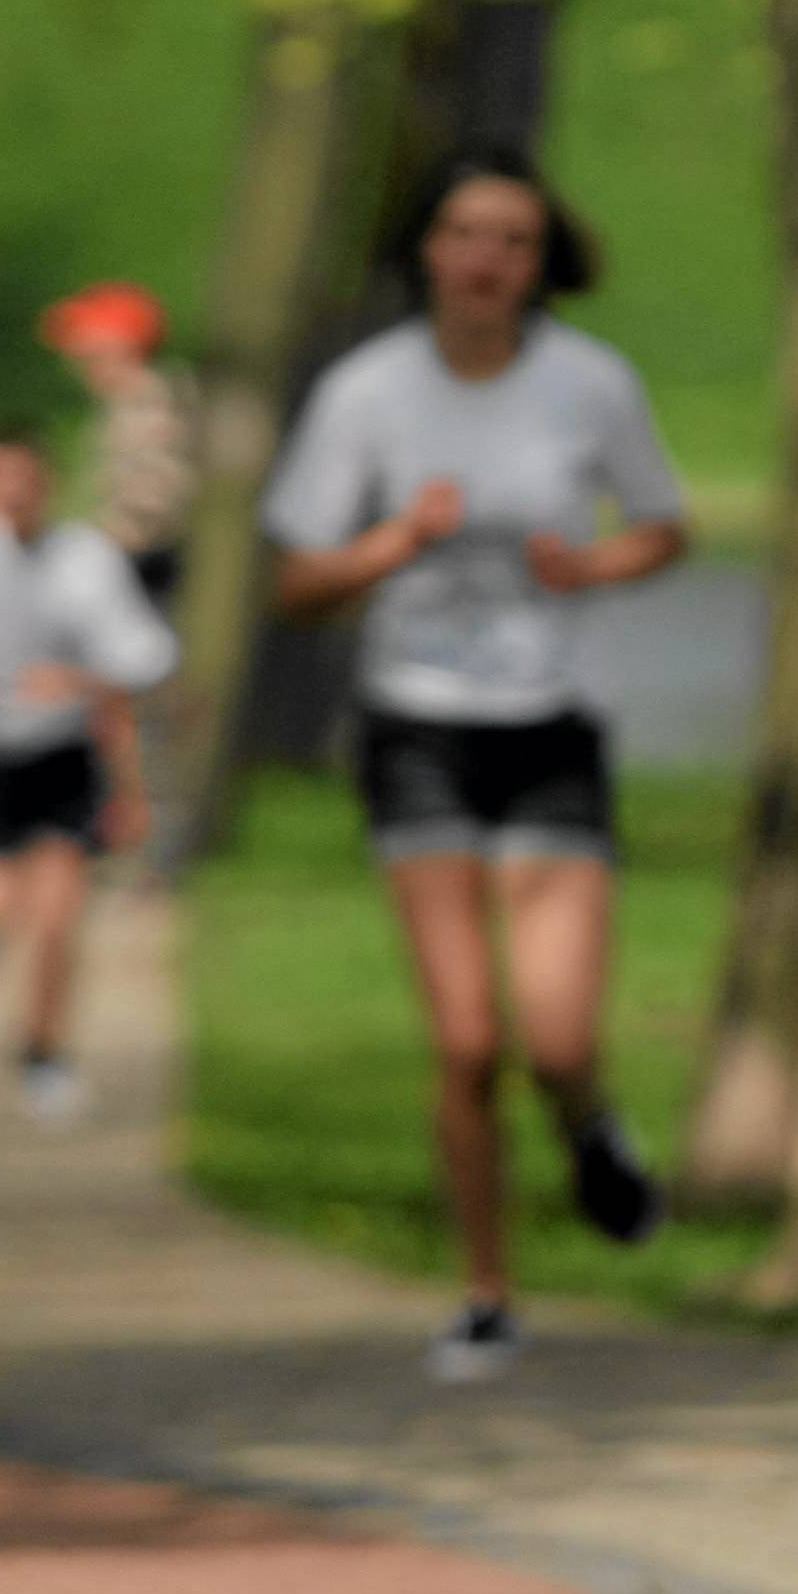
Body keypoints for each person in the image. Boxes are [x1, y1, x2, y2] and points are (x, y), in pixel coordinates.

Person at [262, 144, 693, 1382]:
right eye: (464, 233)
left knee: (555, 1040)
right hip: (418, 726)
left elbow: (664, 528)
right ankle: (488, 1291)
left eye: (513, 237)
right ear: (426, 252)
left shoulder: (590, 383)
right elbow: (296, 581)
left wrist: (590, 566)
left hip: (552, 720)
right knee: (466, 1040)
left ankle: (592, 1126)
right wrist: (395, 539)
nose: (487, 259)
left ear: (541, 258)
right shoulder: (367, 393)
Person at [0, 425, 173, 1125]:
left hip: (63, 755)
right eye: (2, 481)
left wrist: (80, 682)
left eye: (27, 480)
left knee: (57, 916)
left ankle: (44, 1050)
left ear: (48, 484)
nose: (15, 495)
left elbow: (140, 662)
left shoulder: (87, 558)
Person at [40, 281, 197, 606]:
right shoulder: (130, 403)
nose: (74, 358)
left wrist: (83, 557)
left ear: (118, 345)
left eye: (84, 345)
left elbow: (149, 511)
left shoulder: (150, 406)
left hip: (146, 577)